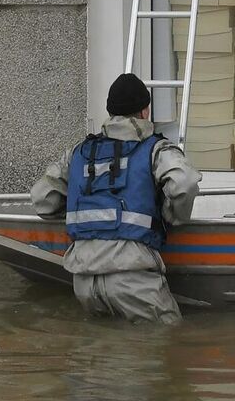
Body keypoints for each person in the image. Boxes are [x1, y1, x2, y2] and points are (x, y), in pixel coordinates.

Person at [30, 72, 200, 324]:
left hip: (84, 282)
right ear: (145, 111)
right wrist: (173, 216)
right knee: (164, 345)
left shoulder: (78, 153)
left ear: (110, 112)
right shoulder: (155, 149)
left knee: (101, 351)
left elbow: (42, 200)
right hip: (133, 278)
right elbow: (183, 183)